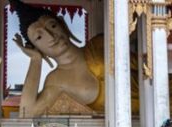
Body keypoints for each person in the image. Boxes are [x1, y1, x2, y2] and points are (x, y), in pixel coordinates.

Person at [9, 0, 138, 117]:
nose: (51, 36)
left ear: (63, 25)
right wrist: (35, 60)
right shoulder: (56, 80)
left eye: (52, 26)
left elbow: (143, 66)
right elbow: (27, 114)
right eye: (39, 37)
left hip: (149, 109)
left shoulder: (98, 44)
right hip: (123, 125)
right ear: (38, 48)